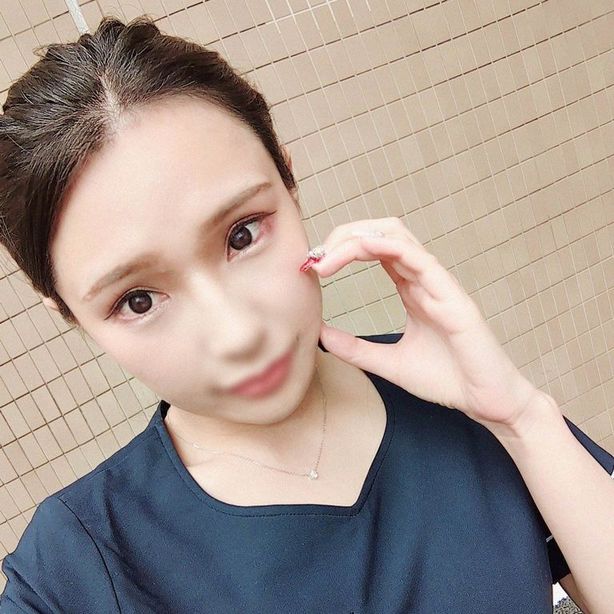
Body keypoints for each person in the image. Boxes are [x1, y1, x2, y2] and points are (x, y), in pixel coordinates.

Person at [0, 14, 612, 614]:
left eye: (242, 235)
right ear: (69, 312)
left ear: (288, 182)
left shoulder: (461, 401)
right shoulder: (74, 570)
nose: (238, 334)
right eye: (138, 300)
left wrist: (522, 419)